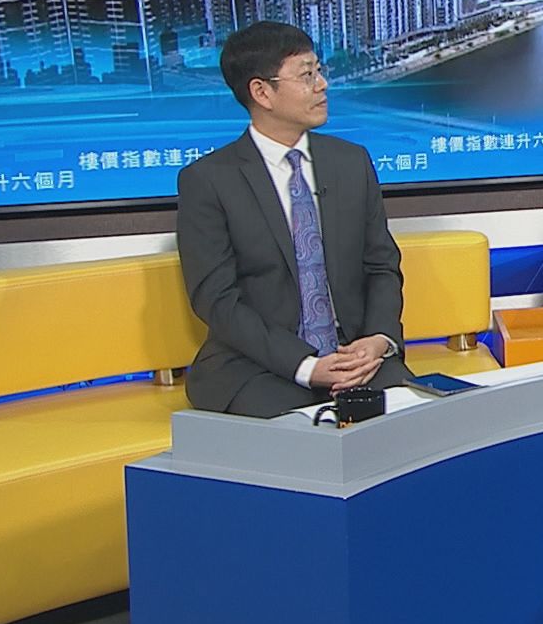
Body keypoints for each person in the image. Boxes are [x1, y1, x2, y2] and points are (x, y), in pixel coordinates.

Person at [175, 22, 414, 416]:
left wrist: (378, 340)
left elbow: (382, 266)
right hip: (258, 367)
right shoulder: (209, 181)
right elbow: (217, 299)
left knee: (412, 422)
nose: (322, 85)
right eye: (306, 75)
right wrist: (306, 367)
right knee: (302, 434)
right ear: (261, 92)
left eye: (319, 71)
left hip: (354, 357)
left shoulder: (351, 162)